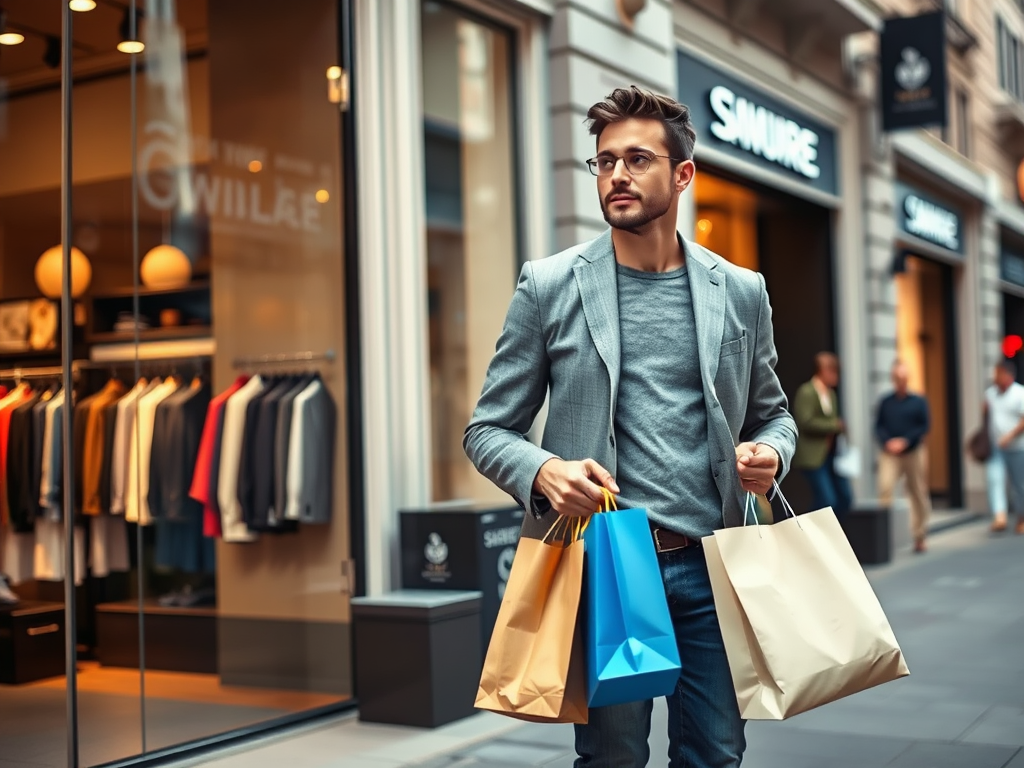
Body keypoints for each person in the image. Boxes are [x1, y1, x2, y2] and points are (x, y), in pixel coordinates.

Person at [464, 86, 797, 768]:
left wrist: (770, 452)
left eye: (637, 159)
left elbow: (775, 414)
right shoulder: (550, 285)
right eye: (604, 161)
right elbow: (488, 429)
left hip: (715, 564)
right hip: (612, 568)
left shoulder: (740, 290)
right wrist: (544, 471)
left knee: (715, 755)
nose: (616, 174)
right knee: (612, 758)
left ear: (682, 175)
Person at [875, 360, 932, 552]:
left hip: (913, 451)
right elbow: (878, 426)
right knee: (885, 489)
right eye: (897, 377)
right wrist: (888, 442)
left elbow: (924, 426)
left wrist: (906, 441)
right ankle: (884, 537)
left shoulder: (918, 401)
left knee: (917, 491)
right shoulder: (886, 402)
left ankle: (919, 535)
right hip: (890, 452)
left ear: (907, 378)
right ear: (893, 378)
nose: (900, 381)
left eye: (903, 377)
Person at [792, 352, 851, 517]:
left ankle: (832, 532)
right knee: (826, 499)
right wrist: (834, 425)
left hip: (832, 453)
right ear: (822, 371)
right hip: (813, 455)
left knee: (845, 497)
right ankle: (808, 531)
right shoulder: (807, 391)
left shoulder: (830, 394)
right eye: (833, 371)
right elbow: (805, 421)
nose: (836, 376)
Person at [984, 360, 1024, 534]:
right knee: (995, 480)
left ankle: (1021, 517)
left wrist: (1009, 436)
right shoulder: (990, 394)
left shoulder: (1020, 393)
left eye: (999, 373)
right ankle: (999, 516)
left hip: (1017, 447)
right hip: (996, 447)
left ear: (1008, 375)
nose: (995, 377)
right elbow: (986, 416)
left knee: (1019, 485)